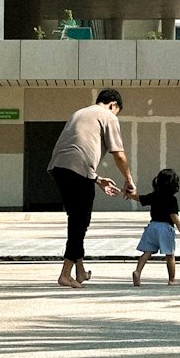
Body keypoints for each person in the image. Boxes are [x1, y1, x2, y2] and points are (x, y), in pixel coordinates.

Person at [47, 87, 136, 289]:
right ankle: (64, 274)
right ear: (113, 105)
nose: (116, 116)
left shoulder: (79, 113)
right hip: (77, 169)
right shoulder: (108, 116)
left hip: (58, 167)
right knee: (80, 221)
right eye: (117, 111)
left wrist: (96, 179)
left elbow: (76, 149)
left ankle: (79, 270)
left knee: (76, 219)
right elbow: (119, 154)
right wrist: (129, 179)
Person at [131, 167, 180, 286]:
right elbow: (173, 215)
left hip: (152, 226)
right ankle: (171, 280)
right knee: (170, 255)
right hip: (165, 228)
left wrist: (129, 193)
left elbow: (139, 198)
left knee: (147, 252)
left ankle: (137, 271)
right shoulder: (172, 199)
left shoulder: (154, 195)